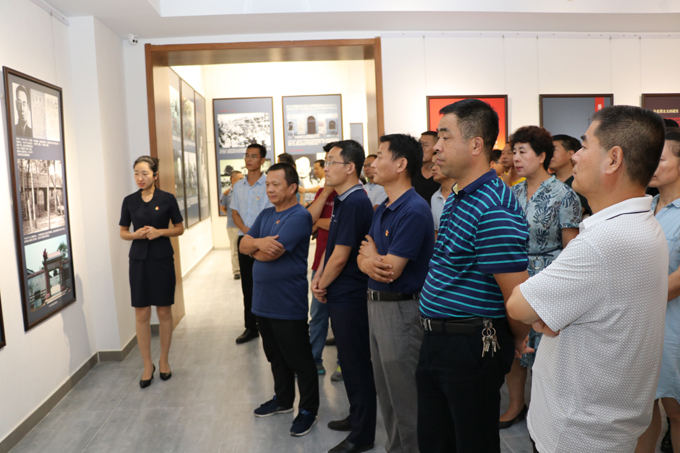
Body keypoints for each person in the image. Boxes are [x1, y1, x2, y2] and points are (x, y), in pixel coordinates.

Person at [507, 105, 668, 453]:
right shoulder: (643, 222)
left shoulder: (602, 242)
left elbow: (518, 305)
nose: (575, 156)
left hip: (577, 429)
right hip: (603, 419)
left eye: (584, 145)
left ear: (613, 159)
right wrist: (546, 315)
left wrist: (543, 315)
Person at [416, 99, 530, 453]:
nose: (436, 147)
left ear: (476, 145)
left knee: (472, 442)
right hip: (438, 339)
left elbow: (516, 294)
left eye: (445, 137)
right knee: (436, 441)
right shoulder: (458, 196)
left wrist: (516, 339)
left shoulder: (493, 205)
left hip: (469, 344)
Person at [499, 126, 581, 429]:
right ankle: (516, 404)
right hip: (513, 274)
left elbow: (571, 248)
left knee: (546, 346)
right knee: (515, 341)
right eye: (514, 152)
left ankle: (545, 411)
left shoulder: (564, 194)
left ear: (542, 156)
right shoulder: (512, 192)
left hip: (548, 277)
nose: (516, 158)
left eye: (523, 152)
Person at [357, 133, 434, 453]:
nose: (372, 163)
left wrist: (371, 260)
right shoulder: (384, 207)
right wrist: (370, 261)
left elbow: (390, 270)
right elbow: (363, 255)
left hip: (401, 310)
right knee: (387, 394)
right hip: (377, 306)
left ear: (401, 164)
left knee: (406, 398)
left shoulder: (413, 209)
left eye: (379, 156)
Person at [239, 163, 319, 437]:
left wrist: (255, 246)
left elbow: (270, 254)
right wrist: (258, 243)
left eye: (276, 184)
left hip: (287, 303)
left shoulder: (299, 217)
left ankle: (308, 410)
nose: (270, 189)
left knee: (299, 360)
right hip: (262, 302)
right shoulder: (266, 214)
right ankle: (283, 400)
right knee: (275, 356)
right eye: (267, 184)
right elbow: (243, 244)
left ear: (292, 187)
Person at [310, 140, 376, 453]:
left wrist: (321, 283)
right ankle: (355, 416)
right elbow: (331, 247)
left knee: (356, 363)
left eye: (331, 162)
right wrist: (319, 279)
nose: (325, 168)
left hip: (351, 294)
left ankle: (362, 435)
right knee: (348, 362)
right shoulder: (342, 199)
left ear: (350, 167)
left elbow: (341, 256)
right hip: (339, 291)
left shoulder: (356, 202)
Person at [119, 156, 184, 388]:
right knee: (141, 313)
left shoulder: (167, 199)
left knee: (164, 311)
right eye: (136, 173)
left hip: (162, 259)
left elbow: (179, 228)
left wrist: (160, 232)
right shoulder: (129, 201)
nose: (140, 178)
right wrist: (135, 235)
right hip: (138, 261)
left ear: (155, 175)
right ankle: (148, 365)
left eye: (145, 173)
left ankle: (164, 360)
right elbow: (123, 232)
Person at [635, 131, 680, 453]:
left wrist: (636, 300)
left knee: (675, 409)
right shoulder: (645, 206)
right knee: (642, 407)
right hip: (639, 324)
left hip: (671, 324)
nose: (651, 165)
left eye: (660, 159)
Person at [231, 143, 273, 344]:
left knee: (265, 283)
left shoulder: (268, 184)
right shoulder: (238, 186)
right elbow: (235, 213)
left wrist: (255, 236)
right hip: (244, 240)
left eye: (254, 156)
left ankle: (269, 324)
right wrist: (247, 233)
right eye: (247, 155)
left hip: (264, 239)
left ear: (262, 160)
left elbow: (271, 212)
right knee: (247, 285)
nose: (249, 159)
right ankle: (251, 327)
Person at [550, 134, 592, 216]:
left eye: (554, 150)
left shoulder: (581, 181)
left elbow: (572, 214)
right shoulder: (546, 180)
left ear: (571, 154)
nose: (549, 154)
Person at [220, 171, 244, 280]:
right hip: (233, 225)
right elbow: (222, 208)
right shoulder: (226, 194)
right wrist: (233, 216)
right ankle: (237, 271)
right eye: (240, 178)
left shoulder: (246, 191)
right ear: (233, 180)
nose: (242, 180)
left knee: (246, 248)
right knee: (234, 249)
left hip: (245, 225)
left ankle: (245, 269)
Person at [430, 158, 456, 238]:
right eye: (433, 165)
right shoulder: (435, 197)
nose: (433, 168)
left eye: (438, 164)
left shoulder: (464, 193)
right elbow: (436, 231)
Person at [413, 131, 441, 205]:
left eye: (425, 145)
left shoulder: (443, 174)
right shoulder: (412, 171)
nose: (421, 149)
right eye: (419, 145)